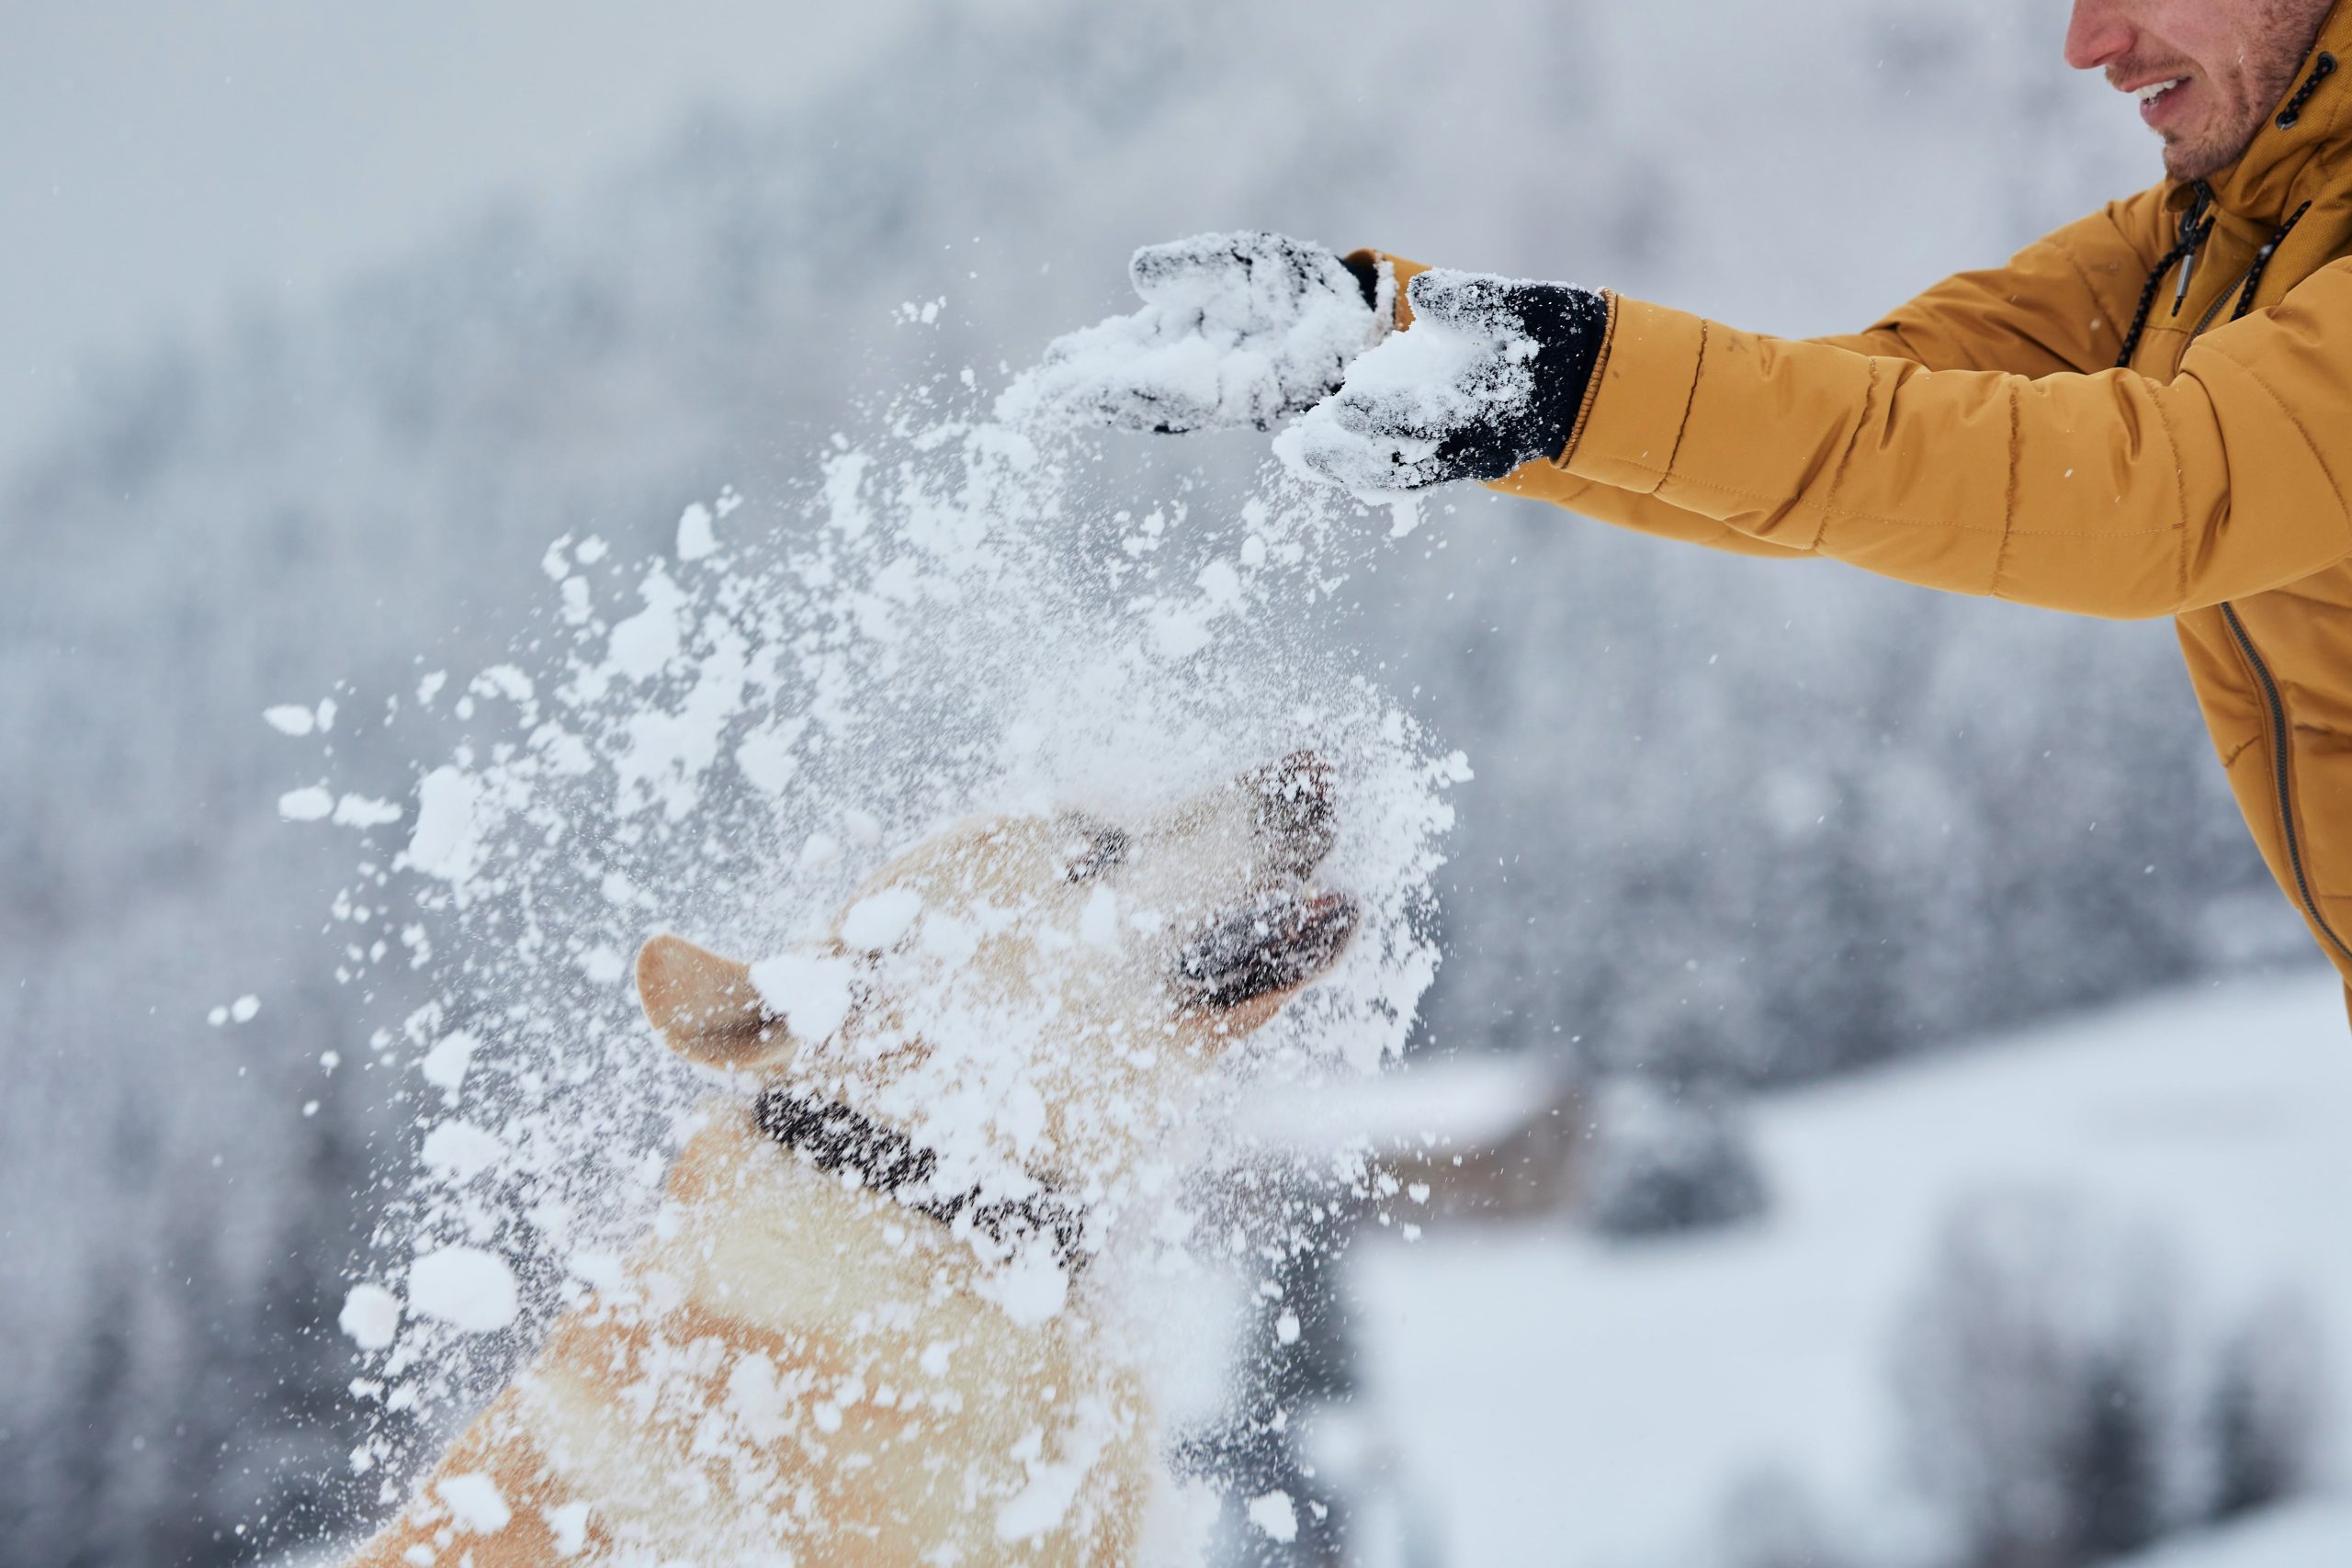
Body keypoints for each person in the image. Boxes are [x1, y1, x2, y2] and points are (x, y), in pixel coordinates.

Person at [1024, 0, 2352, 1011]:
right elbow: (1843, 429)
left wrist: (1569, 376)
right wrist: (1414, 350)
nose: (2090, 41)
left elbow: (2159, 496)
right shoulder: (2225, 230)